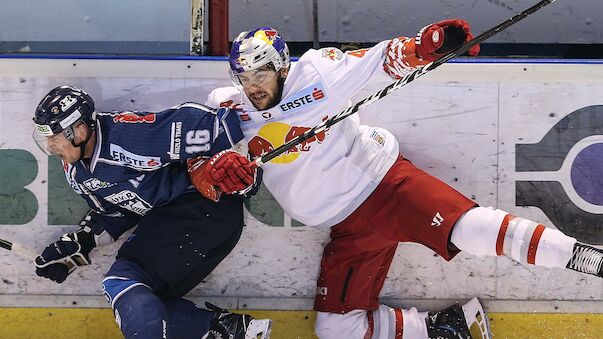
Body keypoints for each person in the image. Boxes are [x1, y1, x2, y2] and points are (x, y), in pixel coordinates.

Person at [201, 23, 603, 339]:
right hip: (347, 228)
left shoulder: (318, 73)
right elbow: (205, 163)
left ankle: (586, 258)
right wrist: (218, 173)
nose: (252, 87)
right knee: (336, 329)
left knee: (470, 229)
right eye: (244, 77)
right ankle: (449, 328)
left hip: (384, 186)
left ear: (282, 67)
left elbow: (376, 63)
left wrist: (423, 48)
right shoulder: (229, 106)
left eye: (260, 75)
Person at [31, 86, 271, 339]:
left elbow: (215, 123)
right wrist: (82, 241)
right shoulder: (76, 172)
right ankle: (229, 331)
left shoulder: (127, 135)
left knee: (122, 282)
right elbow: (118, 213)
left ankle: (219, 328)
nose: (50, 146)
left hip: (201, 208)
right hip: (184, 221)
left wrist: (238, 169)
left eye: (54, 136)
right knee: (142, 303)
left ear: (79, 130)